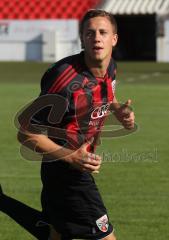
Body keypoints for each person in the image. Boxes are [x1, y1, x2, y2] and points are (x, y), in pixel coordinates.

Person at [17, 9, 135, 240]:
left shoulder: (110, 66)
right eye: (90, 33)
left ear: (114, 39)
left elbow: (106, 93)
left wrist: (116, 109)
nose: (97, 38)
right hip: (67, 173)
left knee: (58, 234)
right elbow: (26, 133)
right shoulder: (66, 80)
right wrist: (71, 157)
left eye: (103, 32)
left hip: (70, 168)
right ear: (82, 38)